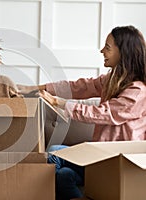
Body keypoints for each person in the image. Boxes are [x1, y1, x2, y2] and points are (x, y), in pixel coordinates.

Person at [18, 25, 146, 200]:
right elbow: (78, 87)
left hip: (119, 165)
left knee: (55, 151)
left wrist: (59, 102)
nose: (102, 51)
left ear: (124, 53)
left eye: (107, 48)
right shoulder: (112, 80)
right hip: (99, 159)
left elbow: (103, 113)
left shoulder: (137, 92)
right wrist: (31, 88)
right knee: (64, 175)